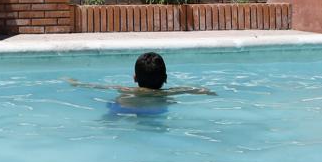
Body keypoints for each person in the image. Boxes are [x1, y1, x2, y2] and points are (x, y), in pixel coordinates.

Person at [65, 52, 215, 116]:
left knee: (115, 105)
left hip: (126, 107)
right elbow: (192, 89)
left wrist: (77, 83)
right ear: (166, 78)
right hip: (156, 111)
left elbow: (97, 86)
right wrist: (207, 91)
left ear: (135, 78)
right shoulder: (168, 93)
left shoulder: (125, 89)